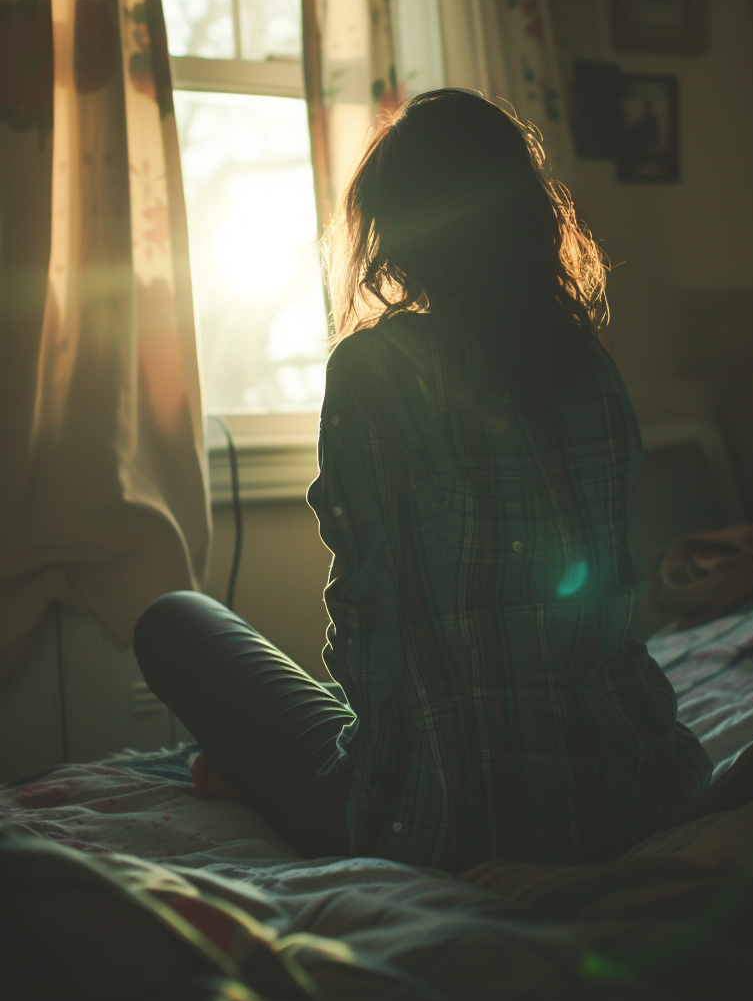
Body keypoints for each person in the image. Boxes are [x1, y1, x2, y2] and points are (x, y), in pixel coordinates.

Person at [135, 90, 711, 869]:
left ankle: (260, 789)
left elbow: (370, 639)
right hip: (635, 785)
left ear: (397, 232)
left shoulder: (376, 369)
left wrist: (364, 775)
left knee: (173, 620)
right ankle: (256, 783)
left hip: (447, 820)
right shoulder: (587, 365)